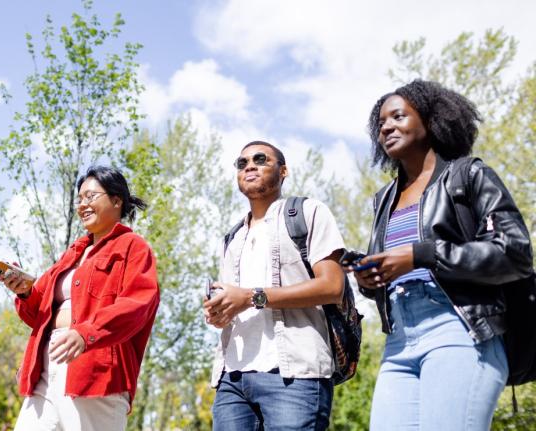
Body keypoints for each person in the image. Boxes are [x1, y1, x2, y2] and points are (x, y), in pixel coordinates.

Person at [352, 79, 533, 430]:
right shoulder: (384, 199)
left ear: (431, 120)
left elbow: (515, 252)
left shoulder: (469, 175)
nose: (386, 126)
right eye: (381, 123)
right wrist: (369, 280)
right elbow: (392, 270)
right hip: (399, 341)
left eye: (398, 117)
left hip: (459, 330)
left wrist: (424, 255)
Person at [0, 166, 160, 431]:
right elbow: (38, 313)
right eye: (80, 198)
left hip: (96, 375)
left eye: (91, 196)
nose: (82, 205)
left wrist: (86, 334)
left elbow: (137, 305)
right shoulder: (73, 253)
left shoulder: (133, 247)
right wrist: (24, 291)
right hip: (46, 368)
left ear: (116, 200)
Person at [204, 141, 347, 430]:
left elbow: (333, 286)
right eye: (242, 163)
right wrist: (220, 312)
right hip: (232, 379)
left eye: (260, 159)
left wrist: (251, 297)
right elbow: (235, 302)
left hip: (293, 375)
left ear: (283, 171)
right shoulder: (231, 238)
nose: (250, 166)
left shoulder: (307, 213)